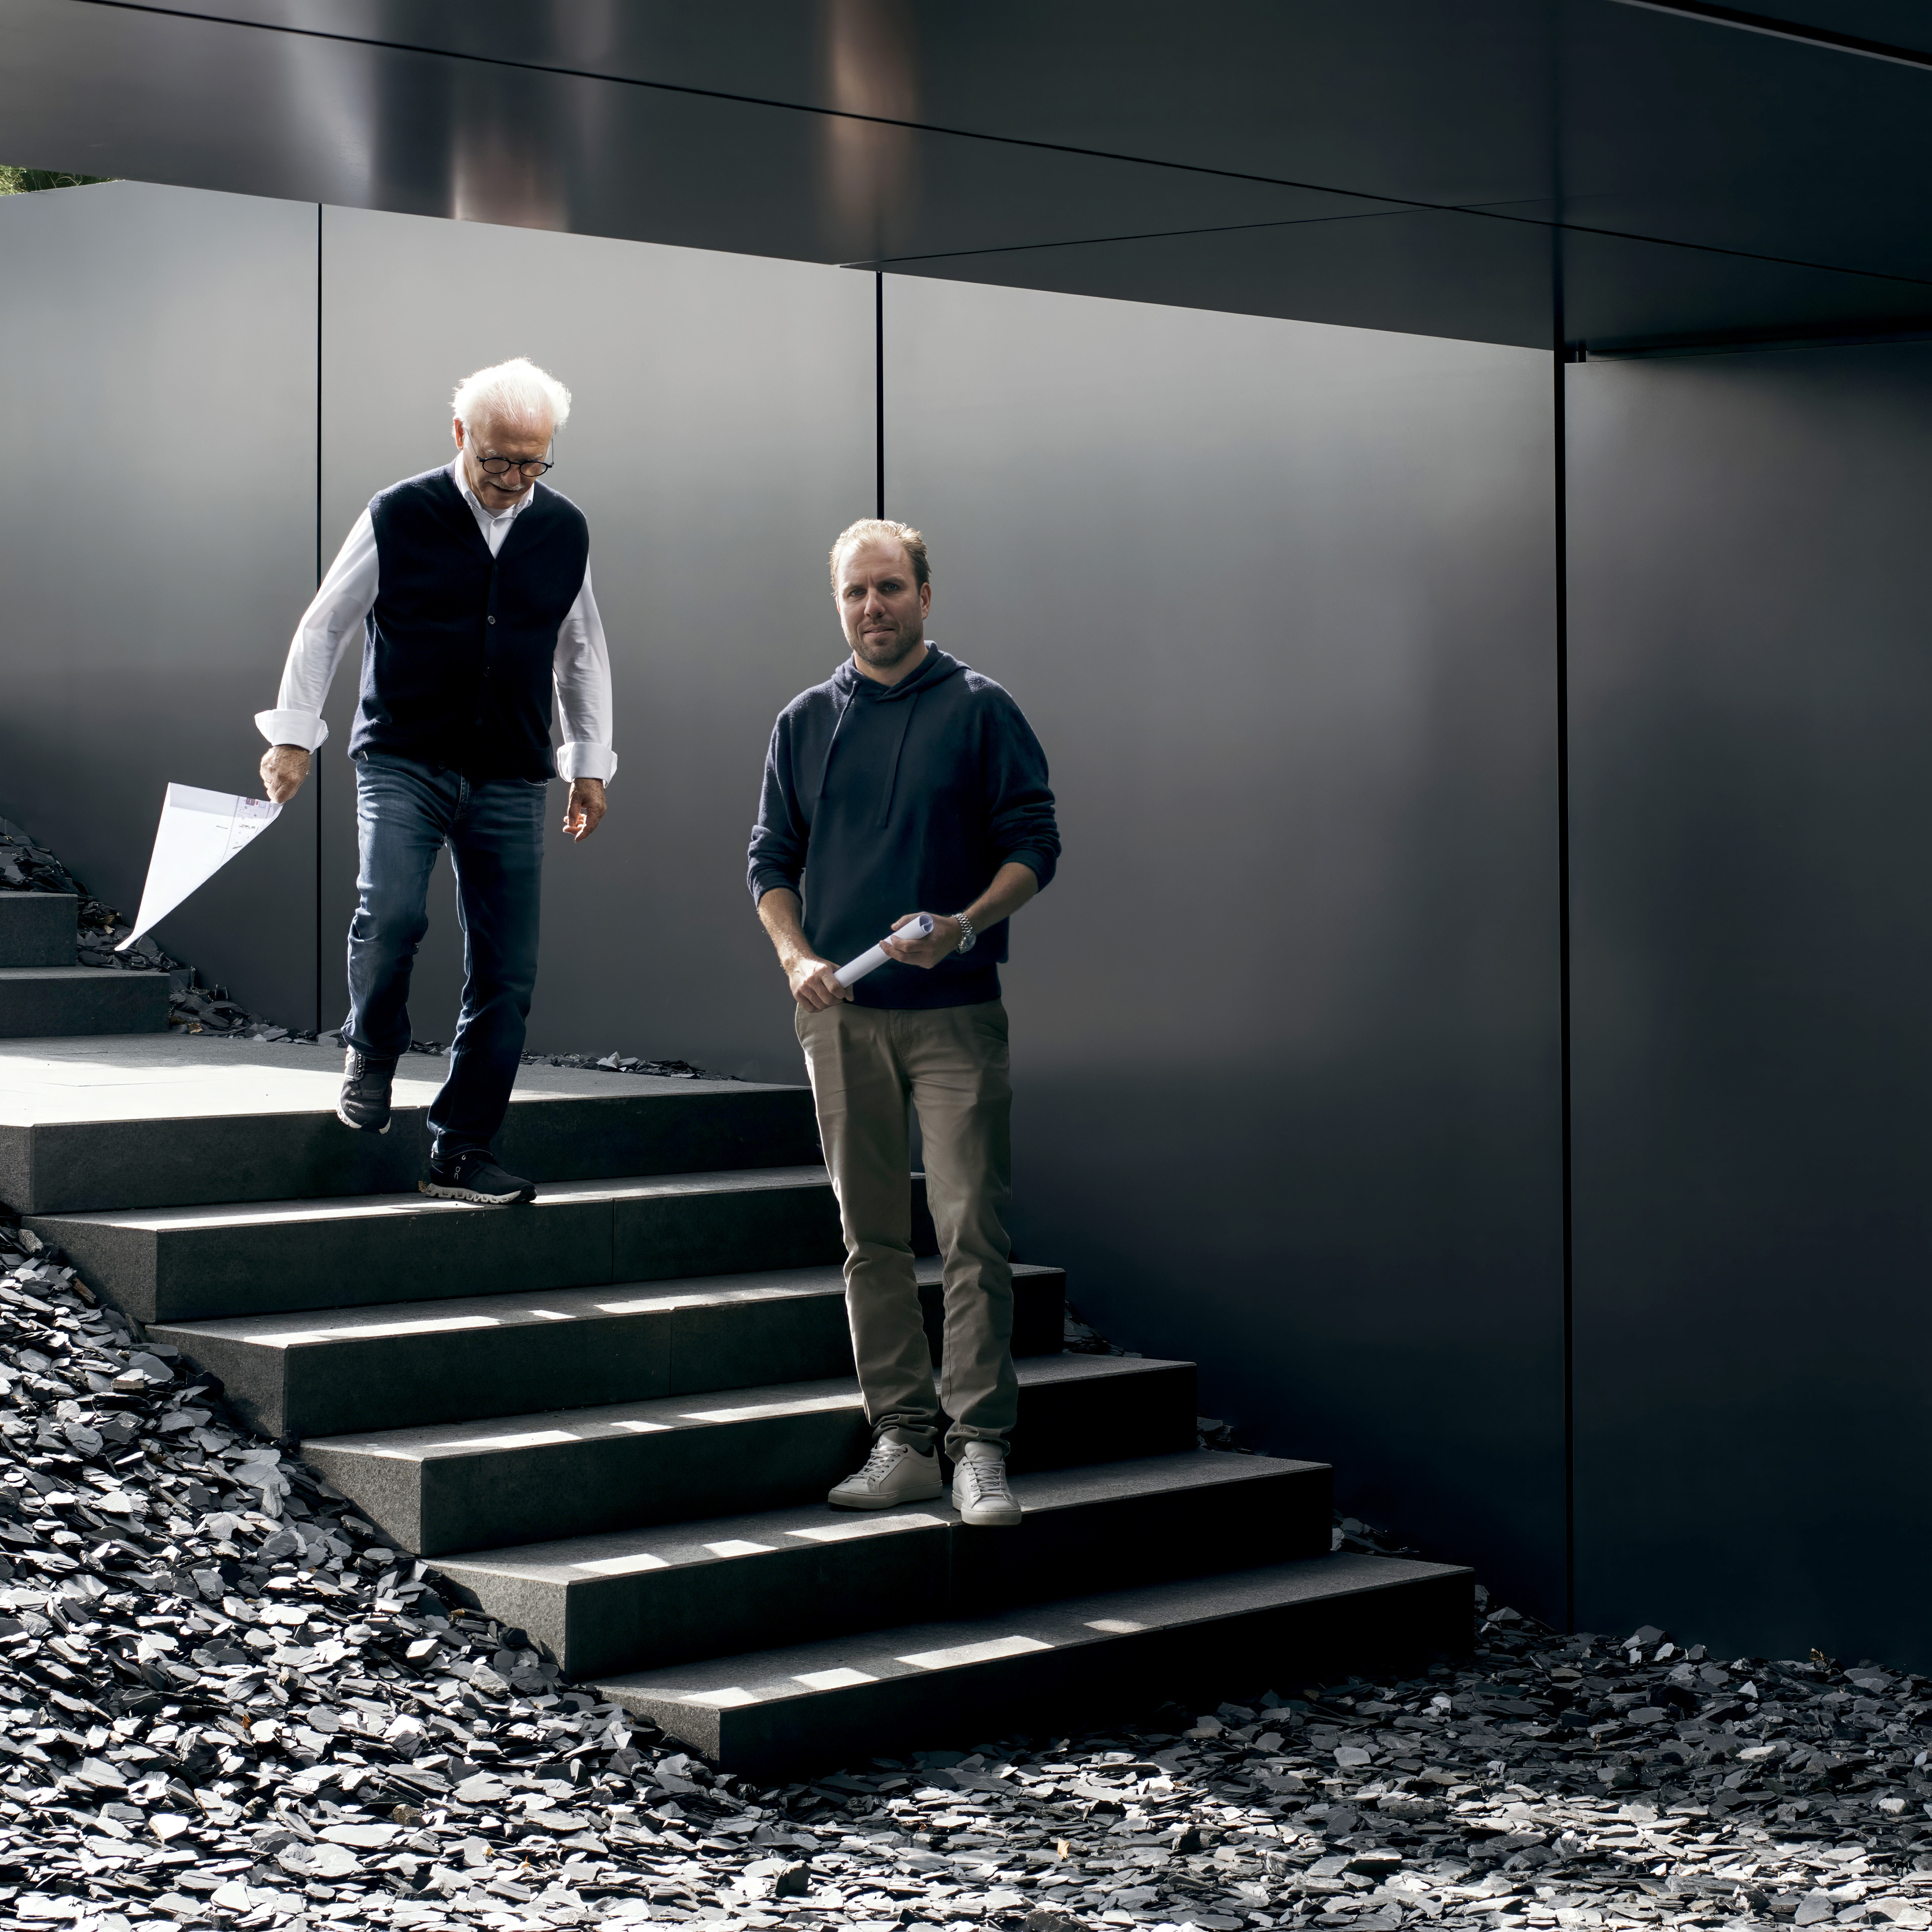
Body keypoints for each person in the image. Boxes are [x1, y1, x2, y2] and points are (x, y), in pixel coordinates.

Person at [748, 518, 1060, 1529]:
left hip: (954, 1017)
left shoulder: (981, 710)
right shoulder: (802, 722)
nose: (871, 608)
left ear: (926, 595)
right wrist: (797, 958)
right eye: (855, 594)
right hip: (842, 1020)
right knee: (871, 1240)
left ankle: (981, 1452)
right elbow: (769, 864)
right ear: (839, 605)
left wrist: (964, 925)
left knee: (972, 1230)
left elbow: (1035, 847)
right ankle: (905, 1443)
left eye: (889, 588)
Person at [256, 356, 616, 1206]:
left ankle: (463, 1149)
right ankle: (371, 1051)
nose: (514, 480)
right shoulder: (400, 513)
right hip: (403, 759)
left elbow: (581, 649)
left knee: (508, 970)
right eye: (498, 460)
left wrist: (588, 764)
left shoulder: (563, 529)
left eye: (533, 462)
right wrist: (294, 740)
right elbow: (324, 628)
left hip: (510, 773)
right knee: (392, 913)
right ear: (461, 436)